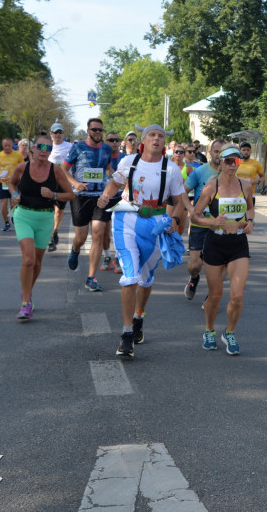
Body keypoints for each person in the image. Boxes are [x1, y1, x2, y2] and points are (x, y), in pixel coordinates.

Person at [97, 124, 187, 359]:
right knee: (130, 277)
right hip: (126, 218)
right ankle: (126, 335)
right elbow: (115, 183)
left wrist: (175, 219)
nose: (156, 139)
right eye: (152, 135)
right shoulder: (129, 162)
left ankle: (139, 316)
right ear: (144, 141)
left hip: (156, 224)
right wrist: (106, 195)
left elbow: (178, 200)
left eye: (160, 136)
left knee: (145, 279)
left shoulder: (172, 169)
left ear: (164, 143)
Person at [190, 146, 256, 354]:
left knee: (237, 296)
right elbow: (195, 215)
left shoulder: (245, 185)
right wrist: (212, 221)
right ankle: (209, 330)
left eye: (236, 161)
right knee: (216, 295)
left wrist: (251, 220)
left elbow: (251, 208)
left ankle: (229, 332)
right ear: (220, 162)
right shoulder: (211, 187)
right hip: (215, 243)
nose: (232, 165)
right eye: (228, 161)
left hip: (238, 244)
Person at [7, 134, 75, 321]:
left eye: (48, 148)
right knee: (28, 259)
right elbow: (12, 183)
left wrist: (53, 194)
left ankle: (27, 293)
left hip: (45, 218)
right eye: (41, 147)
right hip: (24, 216)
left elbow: (70, 195)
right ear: (33, 149)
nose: (44, 151)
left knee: (37, 262)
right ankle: (26, 302)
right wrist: (14, 195)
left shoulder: (56, 171)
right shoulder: (22, 168)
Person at [62, 118, 115, 292]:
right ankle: (75, 249)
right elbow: (63, 170)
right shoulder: (77, 148)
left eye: (100, 130)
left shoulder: (107, 149)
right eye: (94, 129)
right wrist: (75, 183)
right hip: (81, 196)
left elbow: (107, 168)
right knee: (82, 237)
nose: (98, 132)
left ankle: (91, 277)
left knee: (98, 234)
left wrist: (112, 174)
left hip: (100, 197)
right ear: (88, 131)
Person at [181, 139, 225, 301]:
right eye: (216, 151)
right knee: (195, 265)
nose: (218, 155)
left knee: (220, 265)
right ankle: (194, 279)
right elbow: (183, 191)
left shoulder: (231, 174)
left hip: (221, 226)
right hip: (201, 223)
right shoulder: (200, 172)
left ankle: (212, 295)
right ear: (210, 153)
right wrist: (191, 210)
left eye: (222, 152)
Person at [47, 122, 74, 252]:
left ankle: (55, 230)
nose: (58, 135)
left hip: (64, 184)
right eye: (55, 133)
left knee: (59, 211)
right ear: (51, 134)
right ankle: (50, 236)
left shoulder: (69, 147)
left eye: (60, 132)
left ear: (63, 134)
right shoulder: (47, 147)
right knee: (48, 211)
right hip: (50, 183)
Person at [100, 132, 124, 273]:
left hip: (121, 198)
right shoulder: (101, 157)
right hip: (105, 197)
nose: (114, 142)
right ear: (105, 141)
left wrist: (113, 174)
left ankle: (117, 257)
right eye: (111, 140)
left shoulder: (124, 158)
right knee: (104, 229)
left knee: (119, 229)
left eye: (117, 140)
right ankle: (107, 256)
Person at [0, 137, 23, 230]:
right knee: (3, 204)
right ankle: (6, 222)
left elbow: (23, 167)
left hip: (15, 183)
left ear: (12, 145)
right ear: (2, 145)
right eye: (5, 146)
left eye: (9, 145)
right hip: (3, 183)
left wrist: (21, 177)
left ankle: (12, 216)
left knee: (13, 203)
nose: (7, 147)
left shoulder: (18, 155)